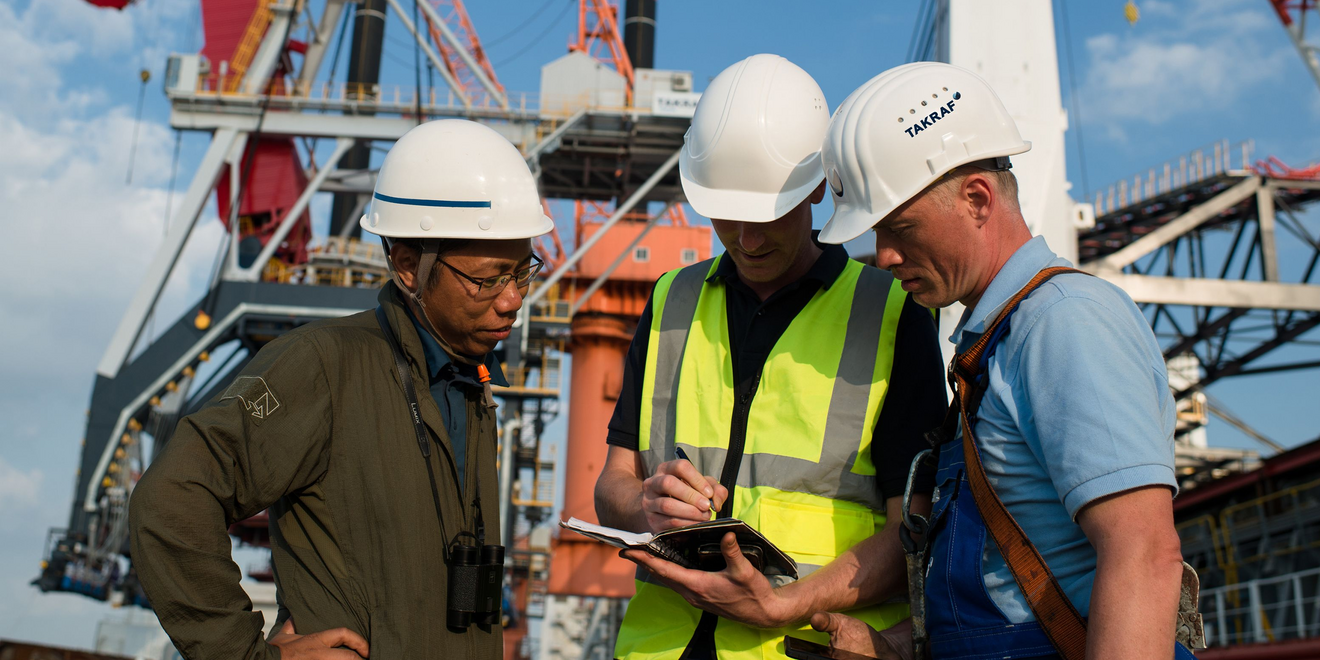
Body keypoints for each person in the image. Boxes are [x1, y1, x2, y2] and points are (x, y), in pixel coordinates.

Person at [130, 119, 554, 659]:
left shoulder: (471, 388)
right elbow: (171, 497)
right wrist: (246, 656)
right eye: (488, 278)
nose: (513, 298)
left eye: (522, 272)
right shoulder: (322, 364)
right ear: (407, 265)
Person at [810, 62, 1192, 659]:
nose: (882, 256)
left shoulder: (1064, 323)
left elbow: (1143, 557)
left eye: (900, 228)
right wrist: (890, 648)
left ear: (977, 199)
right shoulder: (997, 343)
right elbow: (1012, 588)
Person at [593, 54, 948, 660]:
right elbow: (612, 487)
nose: (748, 239)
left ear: (818, 186)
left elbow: (911, 532)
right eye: (726, 214)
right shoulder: (670, 301)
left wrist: (786, 601)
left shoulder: (892, 312)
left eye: (767, 215)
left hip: (808, 646)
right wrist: (646, 503)